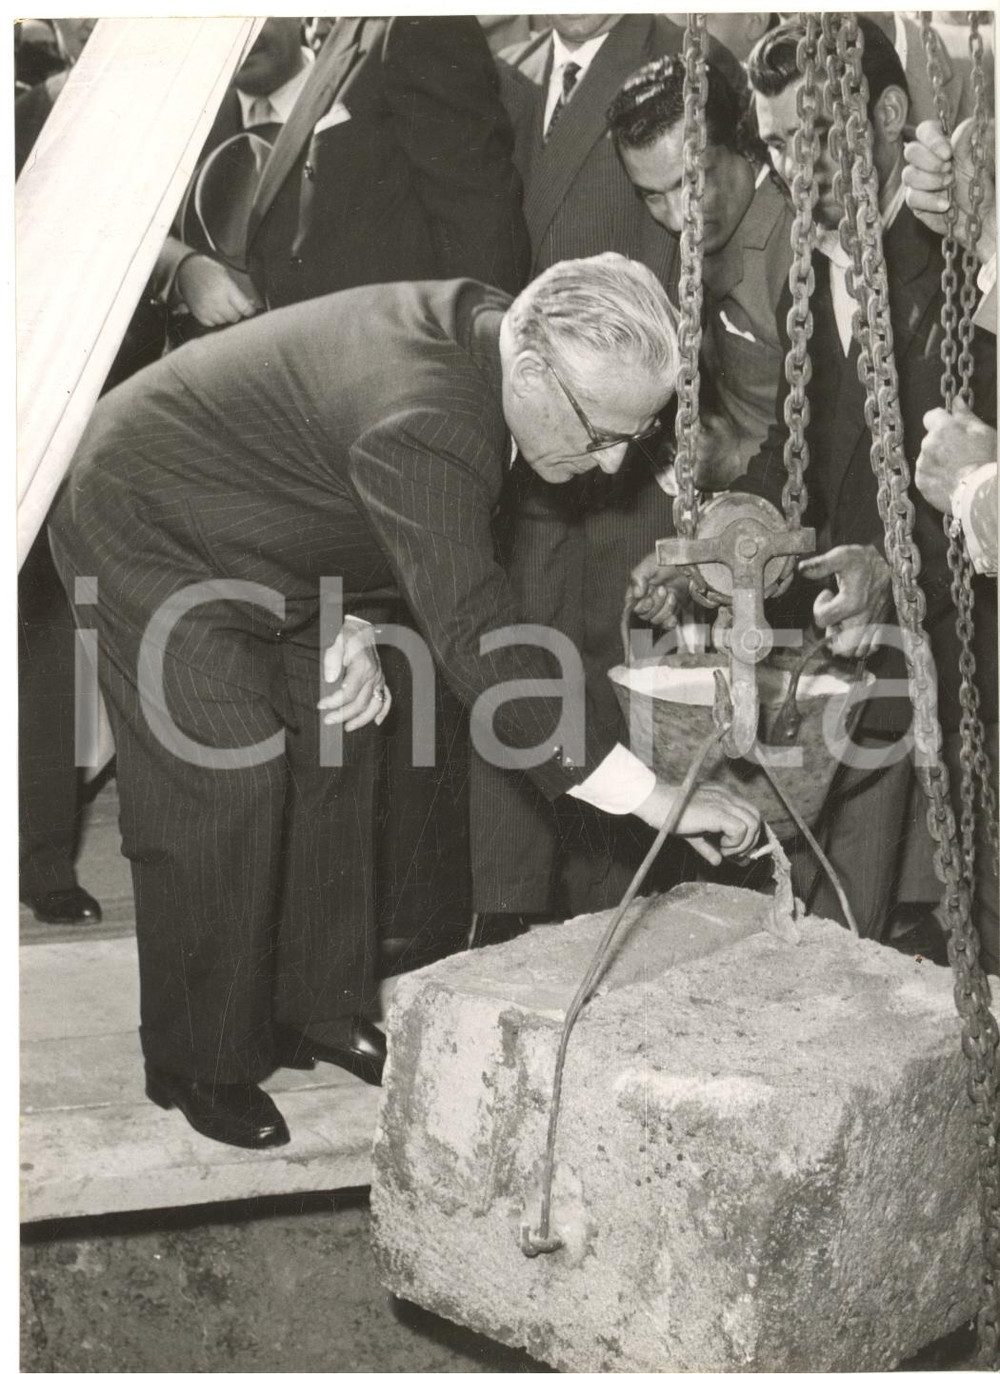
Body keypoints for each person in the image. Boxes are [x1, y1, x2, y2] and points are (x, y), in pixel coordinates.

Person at [49, 256, 762, 1152]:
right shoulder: (432, 414)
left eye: (636, 437)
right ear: (537, 375)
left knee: (341, 733)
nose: (613, 462)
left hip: (266, 512)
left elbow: (355, 479)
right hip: (144, 512)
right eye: (602, 433)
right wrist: (654, 794)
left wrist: (350, 621)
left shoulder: (497, 339)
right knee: (225, 775)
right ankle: (197, 1054)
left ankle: (316, 1006)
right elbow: (479, 633)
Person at [635, 17, 998, 971]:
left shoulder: (966, 273)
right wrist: (721, 535)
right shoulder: (815, 262)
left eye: (816, 134)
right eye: (779, 143)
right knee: (832, 942)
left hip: (969, 667)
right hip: (853, 654)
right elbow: (803, 455)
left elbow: (977, 481)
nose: (796, 167)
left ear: (885, 115)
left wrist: (894, 563)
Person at [608, 53, 793, 489]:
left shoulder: (796, 248)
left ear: (740, 143)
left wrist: (732, 459)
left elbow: (848, 438)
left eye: (693, 183)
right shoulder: (713, 232)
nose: (676, 218)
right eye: (652, 196)